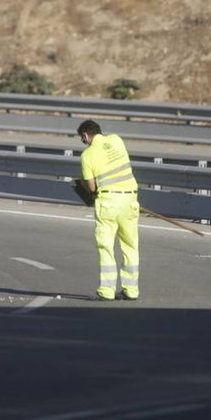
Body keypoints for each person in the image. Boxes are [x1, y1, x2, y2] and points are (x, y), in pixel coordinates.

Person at [76, 120, 139, 301]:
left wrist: (84, 185)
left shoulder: (87, 155)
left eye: (83, 139)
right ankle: (131, 290)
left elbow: (91, 186)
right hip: (130, 199)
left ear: (86, 135)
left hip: (108, 202)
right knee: (130, 246)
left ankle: (107, 291)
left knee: (106, 247)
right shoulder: (117, 140)